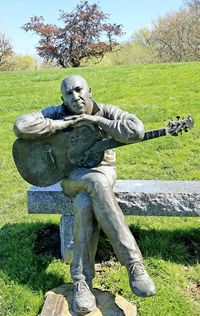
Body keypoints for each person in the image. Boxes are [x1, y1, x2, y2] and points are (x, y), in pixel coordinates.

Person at [14, 75, 156, 315]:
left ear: (89, 90)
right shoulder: (57, 112)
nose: (75, 96)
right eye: (69, 93)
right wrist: (63, 124)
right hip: (72, 177)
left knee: (84, 201)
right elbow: (21, 126)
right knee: (93, 184)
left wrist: (96, 119)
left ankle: (81, 281)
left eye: (79, 90)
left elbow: (136, 130)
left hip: (104, 170)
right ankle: (134, 265)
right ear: (63, 98)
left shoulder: (106, 110)